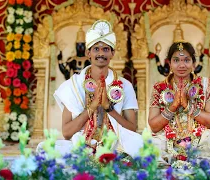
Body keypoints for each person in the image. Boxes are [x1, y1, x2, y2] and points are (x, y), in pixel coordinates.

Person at [47, 20, 143, 157]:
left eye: (105, 49)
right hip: (81, 147)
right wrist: (92, 106)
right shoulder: (73, 85)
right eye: (96, 49)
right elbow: (67, 133)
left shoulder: (125, 85)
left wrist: (109, 109)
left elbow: (132, 130)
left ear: (112, 53)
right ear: (88, 53)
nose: (101, 54)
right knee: (45, 150)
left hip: (116, 148)